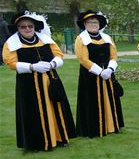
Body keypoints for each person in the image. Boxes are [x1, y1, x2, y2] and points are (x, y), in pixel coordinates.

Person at [2, 11, 76, 151]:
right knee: (33, 111)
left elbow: (59, 54)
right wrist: (32, 67)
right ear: (17, 28)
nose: (27, 29)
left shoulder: (45, 39)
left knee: (55, 107)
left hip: (51, 79)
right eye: (23, 26)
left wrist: (53, 64)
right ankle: (37, 143)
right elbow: (11, 63)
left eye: (30, 26)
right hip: (28, 83)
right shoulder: (11, 43)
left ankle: (59, 138)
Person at [75, 10, 124, 137]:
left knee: (111, 98)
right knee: (92, 101)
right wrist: (100, 72)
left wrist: (110, 69)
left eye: (95, 22)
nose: (93, 24)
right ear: (85, 24)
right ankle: (94, 129)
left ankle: (111, 125)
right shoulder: (81, 39)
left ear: (99, 24)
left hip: (108, 73)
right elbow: (83, 59)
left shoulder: (107, 38)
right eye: (90, 22)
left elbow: (114, 56)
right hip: (90, 75)